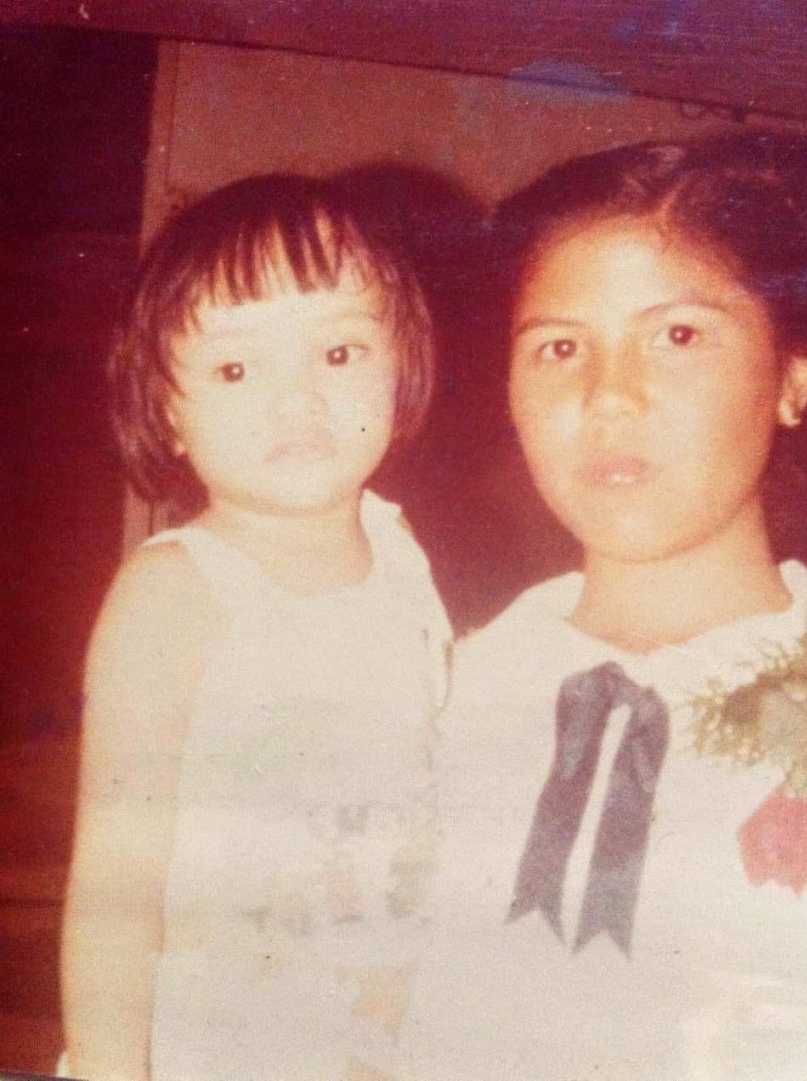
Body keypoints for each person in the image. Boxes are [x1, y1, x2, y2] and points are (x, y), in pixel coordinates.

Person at [403, 131, 807, 1080]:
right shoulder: (434, 691)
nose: (608, 395)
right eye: (558, 348)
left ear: (794, 378)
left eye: (677, 335)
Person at [61, 173, 451, 1081]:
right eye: (237, 368)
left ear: (405, 365)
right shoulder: (177, 595)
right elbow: (116, 894)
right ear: (167, 409)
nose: (299, 400)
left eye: (341, 352)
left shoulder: (403, 558)